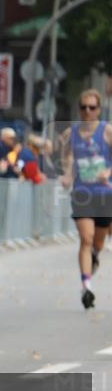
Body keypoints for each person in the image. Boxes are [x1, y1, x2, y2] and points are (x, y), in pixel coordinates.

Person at [60, 89, 112, 310]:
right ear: (79, 109)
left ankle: (95, 256)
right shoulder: (70, 134)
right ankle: (86, 288)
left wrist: (108, 172)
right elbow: (67, 158)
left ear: (98, 109)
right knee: (86, 238)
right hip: (82, 194)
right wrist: (67, 175)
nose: (87, 111)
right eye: (83, 107)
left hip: (105, 195)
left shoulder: (107, 131)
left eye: (92, 107)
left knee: (98, 243)